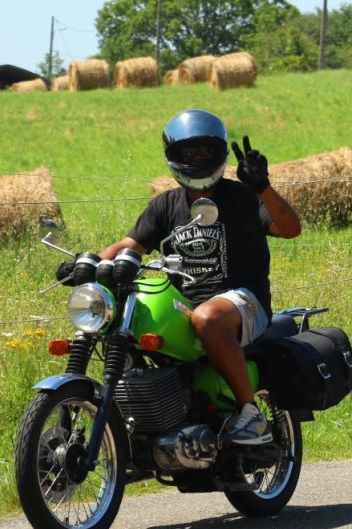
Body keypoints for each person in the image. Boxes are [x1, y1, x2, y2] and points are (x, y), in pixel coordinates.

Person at [92, 109, 300, 444]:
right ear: (173, 156)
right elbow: (130, 244)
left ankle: (251, 414)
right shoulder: (165, 205)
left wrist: (263, 188)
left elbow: (289, 229)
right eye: (188, 152)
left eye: (205, 150)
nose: (197, 158)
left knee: (207, 318)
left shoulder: (242, 197)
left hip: (244, 301)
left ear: (219, 153)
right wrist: (89, 264)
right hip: (182, 303)